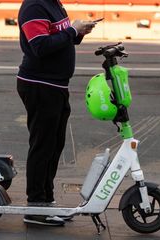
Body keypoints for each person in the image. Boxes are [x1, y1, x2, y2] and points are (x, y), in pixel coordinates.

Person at [17, 0, 96, 226]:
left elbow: (60, 37)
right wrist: (72, 30)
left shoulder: (54, 4)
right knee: (43, 146)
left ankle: (47, 201)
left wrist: (78, 32)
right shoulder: (34, 7)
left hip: (56, 85)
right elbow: (40, 46)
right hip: (40, 85)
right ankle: (35, 208)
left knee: (54, 145)